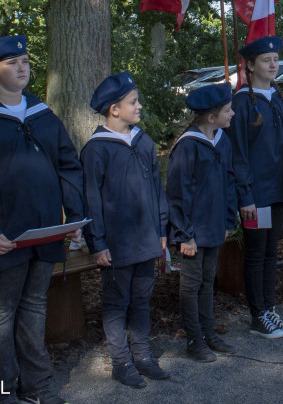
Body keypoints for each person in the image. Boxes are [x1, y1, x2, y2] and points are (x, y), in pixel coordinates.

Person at [0, 35, 86, 404]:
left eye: (25, 60)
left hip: (44, 233)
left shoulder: (42, 114)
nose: (22, 67)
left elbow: (68, 165)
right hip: (2, 238)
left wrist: (74, 216)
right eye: (11, 62)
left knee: (34, 308)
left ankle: (36, 388)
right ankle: (1, 393)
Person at [81, 71, 169, 388]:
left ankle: (143, 357)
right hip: (116, 244)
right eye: (134, 102)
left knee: (141, 301)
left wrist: (162, 228)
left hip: (147, 239)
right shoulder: (96, 149)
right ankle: (121, 362)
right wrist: (98, 242)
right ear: (114, 109)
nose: (140, 106)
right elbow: (91, 200)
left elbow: (157, 189)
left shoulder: (142, 141)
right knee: (117, 304)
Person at [227, 35, 283, 339]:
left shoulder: (280, 98)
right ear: (250, 65)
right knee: (257, 253)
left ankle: (269, 309)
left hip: (279, 191)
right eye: (266, 60)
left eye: (275, 59)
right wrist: (244, 194)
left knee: (272, 252)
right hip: (256, 194)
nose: (273, 65)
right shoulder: (242, 103)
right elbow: (239, 154)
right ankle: (257, 314)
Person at [167, 83, 238, 363]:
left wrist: (227, 219)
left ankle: (208, 332)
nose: (232, 114)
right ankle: (194, 338)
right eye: (227, 110)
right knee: (191, 283)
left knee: (208, 281)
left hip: (215, 225)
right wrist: (185, 234)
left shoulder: (223, 140)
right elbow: (177, 193)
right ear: (211, 116)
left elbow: (229, 181)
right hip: (193, 231)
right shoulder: (188, 146)